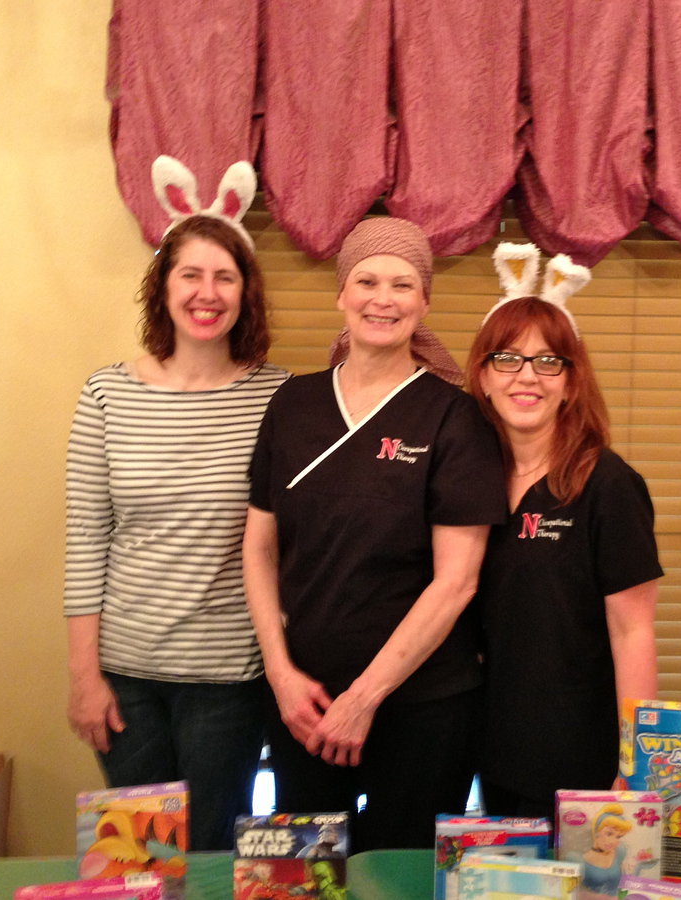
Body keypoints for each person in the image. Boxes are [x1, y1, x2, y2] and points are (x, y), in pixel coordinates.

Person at [243, 216, 505, 851]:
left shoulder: (453, 416)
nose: (382, 299)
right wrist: (280, 674)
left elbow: (457, 581)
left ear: (424, 302)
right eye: (366, 280)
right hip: (304, 700)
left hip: (423, 704)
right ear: (341, 293)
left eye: (402, 284)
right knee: (309, 880)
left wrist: (364, 699)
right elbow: (258, 547)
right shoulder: (293, 404)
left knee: (400, 877)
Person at [65, 160, 289, 851]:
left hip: (231, 680)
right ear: (161, 286)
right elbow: (85, 540)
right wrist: (85, 676)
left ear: (245, 295)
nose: (207, 292)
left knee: (211, 855)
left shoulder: (279, 399)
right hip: (126, 680)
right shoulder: (105, 395)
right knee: (136, 856)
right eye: (190, 274)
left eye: (225, 277)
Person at [465, 243, 664, 819]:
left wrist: (634, 763)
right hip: (492, 746)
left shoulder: (607, 484)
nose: (527, 377)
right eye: (508, 359)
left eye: (548, 361)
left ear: (571, 381)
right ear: (482, 374)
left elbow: (634, 633)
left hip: (582, 752)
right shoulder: (469, 481)